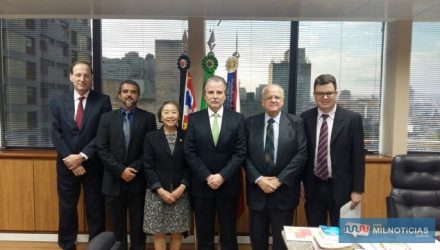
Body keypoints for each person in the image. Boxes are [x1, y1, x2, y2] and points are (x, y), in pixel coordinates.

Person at [50, 61, 112, 250]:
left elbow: (103, 133)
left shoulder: (103, 101)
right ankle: (67, 244)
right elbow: (55, 133)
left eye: (86, 75)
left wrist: (83, 156)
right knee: (67, 207)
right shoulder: (57, 101)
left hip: (93, 164)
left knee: (95, 207)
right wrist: (72, 159)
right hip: (67, 165)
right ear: (71, 76)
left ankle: (97, 245)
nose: (82, 79)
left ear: (91, 77)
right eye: (78, 75)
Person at [184, 75, 246, 250]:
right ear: (204, 95)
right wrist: (207, 176)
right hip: (202, 187)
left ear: (225, 95)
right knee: (204, 235)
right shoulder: (195, 119)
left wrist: (222, 176)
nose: (215, 96)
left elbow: (240, 152)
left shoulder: (238, 119)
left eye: (219, 92)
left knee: (228, 234)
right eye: (210, 92)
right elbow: (190, 151)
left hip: (228, 186)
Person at [244, 84, 307, 250]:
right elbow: (243, 155)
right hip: (258, 192)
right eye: (269, 97)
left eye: (277, 97)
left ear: (283, 101)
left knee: (282, 243)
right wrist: (259, 179)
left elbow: (301, 154)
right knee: (257, 241)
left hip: (284, 192)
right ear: (262, 101)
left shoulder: (296, 123)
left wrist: (279, 180)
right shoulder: (249, 123)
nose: (273, 100)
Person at [96, 80, 156, 250]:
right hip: (113, 181)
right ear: (119, 95)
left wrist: (133, 169)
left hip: (138, 181)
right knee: (117, 227)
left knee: (138, 226)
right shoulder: (106, 118)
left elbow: (150, 150)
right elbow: (102, 148)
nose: (129, 94)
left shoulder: (148, 118)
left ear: (138, 95)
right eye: (125, 91)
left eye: (133, 91)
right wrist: (120, 170)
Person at [301, 74, 365, 226]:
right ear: (314, 94)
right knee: (315, 232)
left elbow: (358, 157)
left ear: (336, 93)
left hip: (343, 187)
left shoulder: (352, 119)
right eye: (320, 93)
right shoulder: (304, 118)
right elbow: (303, 154)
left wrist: (358, 190)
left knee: (342, 235)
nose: (324, 97)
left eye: (329, 93)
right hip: (313, 187)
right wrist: (301, 183)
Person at [143, 100, 191, 250]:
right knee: (159, 232)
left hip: (180, 192)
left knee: (177, 231)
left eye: (174, 112)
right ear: (160, 117)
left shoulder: (187, 136)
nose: (170, 115)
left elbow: (191, 164)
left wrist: (182, 187)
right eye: (166, 112)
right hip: (157, 192)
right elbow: (148, 166)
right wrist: (160, 190)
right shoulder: (151, 137)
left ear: (178, 116)